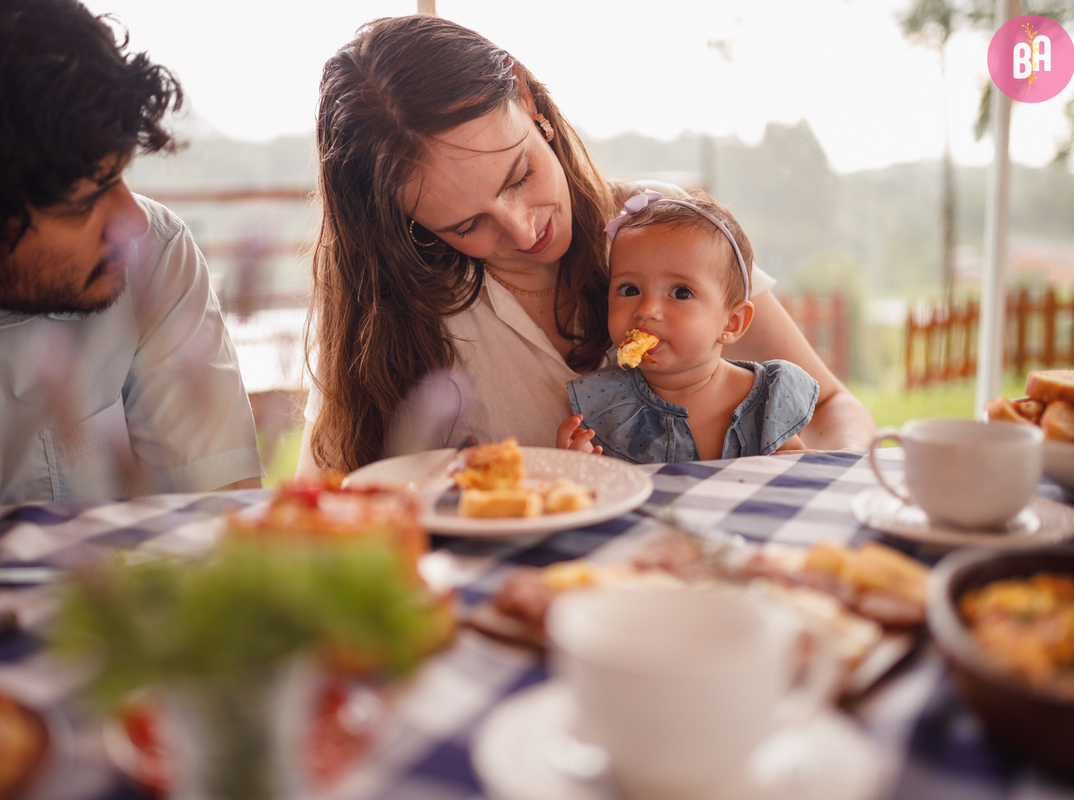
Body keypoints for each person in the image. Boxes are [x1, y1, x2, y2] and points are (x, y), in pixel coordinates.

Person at [301, 15, 875, 476]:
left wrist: (819, 486)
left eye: (520, 175)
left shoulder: (659, 226)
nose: (525, 233)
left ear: (526, 99)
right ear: (410, 226)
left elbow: (829, 407)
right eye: (467, 226)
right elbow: (331, 502)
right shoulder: (390, 315)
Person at [0, 0, 264, 505]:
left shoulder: (154, 260)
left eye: (120, 173)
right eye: (83, 201)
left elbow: (218, 522)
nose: (131, 222)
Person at [559, 191, 817, 463]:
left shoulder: (766, 399)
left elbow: (797, 474)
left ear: (732, 322)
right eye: (629, 289)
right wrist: (578, 465)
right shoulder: (605, 405)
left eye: (681, 293)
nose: (646, 310)